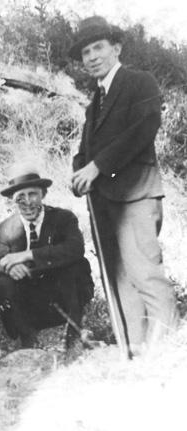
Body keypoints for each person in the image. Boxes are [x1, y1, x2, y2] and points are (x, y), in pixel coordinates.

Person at [69, 16, 178, 354]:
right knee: (121, 283)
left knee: (145, 275)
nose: (92, 56)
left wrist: (97, 166)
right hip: (104, 204)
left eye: (98, 47)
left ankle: (169, 357)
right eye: (85, 51)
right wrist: (78, 173)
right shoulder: (94, 104)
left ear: (116, 48)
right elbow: (85, 152)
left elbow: (145, 126)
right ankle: (136, 355)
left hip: (135, 196)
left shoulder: (138, 82)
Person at [0, 164, 94, 349]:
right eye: (20, 197)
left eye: (32, 194)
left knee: (74, 265)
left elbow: (75, 249)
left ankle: (74, 335)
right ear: (13, 200)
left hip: (62, 295)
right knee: (3, 283)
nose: (27, 202)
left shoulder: (63, 218)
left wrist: (26, 256)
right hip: (32, 302)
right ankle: (27, 339)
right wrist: (6, 266)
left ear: (43, 194)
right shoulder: (7, 228)